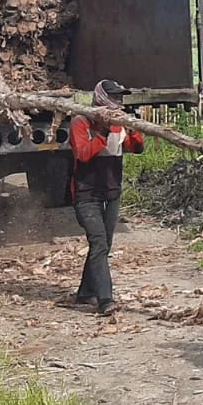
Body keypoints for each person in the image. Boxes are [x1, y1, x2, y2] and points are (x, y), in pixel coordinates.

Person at [59, 80, 144, 316]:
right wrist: (103, 131)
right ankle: (105, 299)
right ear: (101, 99)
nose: (118, 103)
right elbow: (84, 154)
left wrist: (134, 127)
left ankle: (85, 292)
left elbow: (136, 148)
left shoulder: (120, 126)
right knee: (98, 243)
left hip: (111, 192)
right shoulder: (80, 122)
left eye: (120, 99)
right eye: (114, 98)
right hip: (87, 195)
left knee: (104, 245)